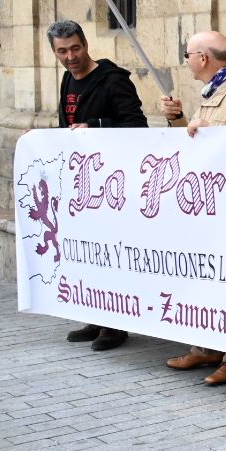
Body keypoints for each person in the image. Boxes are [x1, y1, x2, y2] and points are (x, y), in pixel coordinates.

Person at [158, 31, 226, 384]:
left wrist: (215, 132)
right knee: (207, 279)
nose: (187, 60)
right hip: (209, 206)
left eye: (188, 54)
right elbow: (199, 148)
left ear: (203, 58)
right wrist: (178, 120)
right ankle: (206, 347)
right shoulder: (215, 92)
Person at [49, 20, 148, 352]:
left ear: (86, 44)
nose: (70, 56)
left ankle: (116, 325)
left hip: (112, 185)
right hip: (82, 183)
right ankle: (96, 316)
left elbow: (137, 125)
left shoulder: (113, 81)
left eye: (75, 48)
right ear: (55, 52)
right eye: (62, 51)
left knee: (110, 255)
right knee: (89, 255)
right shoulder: (66, 79)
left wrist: (96, 127)